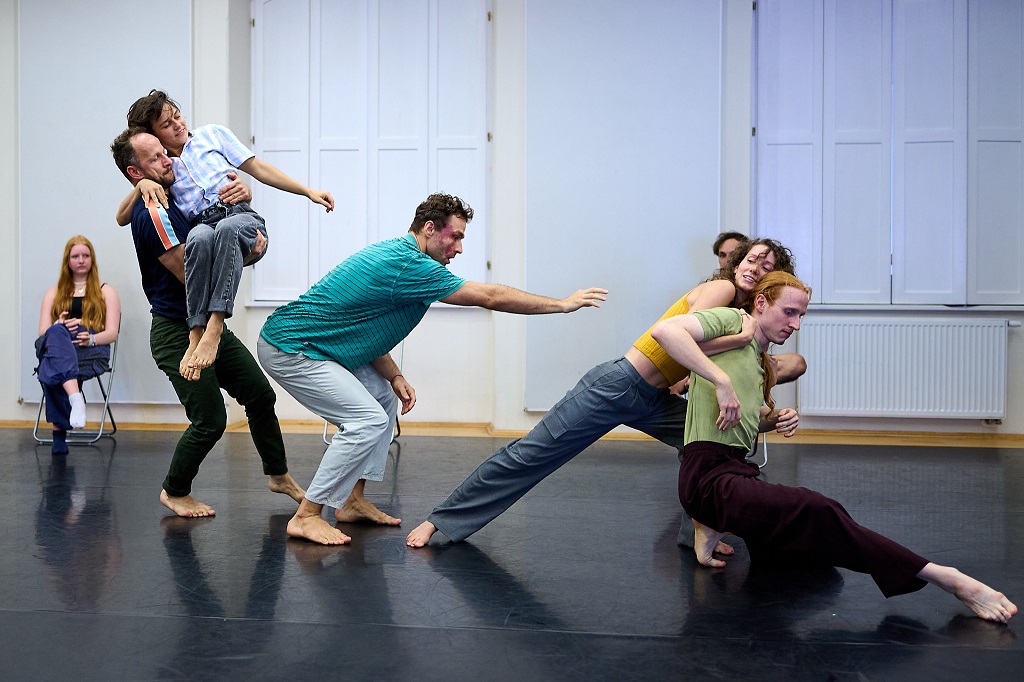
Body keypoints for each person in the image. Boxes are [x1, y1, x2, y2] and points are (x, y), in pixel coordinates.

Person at [651, 270, 1017, 623]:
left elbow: (741, 419)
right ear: (760, 303)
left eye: (801, 316)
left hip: (735, 469)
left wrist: (774, 418)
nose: (795, 325)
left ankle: (712, 524)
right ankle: (947, 578)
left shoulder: (760, 362)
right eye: (788, 312)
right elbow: (666, 331)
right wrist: (720, 381)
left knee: (808, 558)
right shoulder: (734, 321)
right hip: (707, 478)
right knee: (819, 509)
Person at [258, 193, 608, 546]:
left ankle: (351, 500)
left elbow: (365, 329)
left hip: (320, 346)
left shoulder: (405, 258)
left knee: (382, 399)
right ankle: (307, 516)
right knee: (366, 420)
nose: (459, 248)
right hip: (291, 346)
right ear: (429, 229)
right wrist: (561, 304)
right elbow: (490, 297)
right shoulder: (409, 264)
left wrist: (394, 375)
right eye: (455, 237)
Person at [405, 238, 796, 548]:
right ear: (737, 264)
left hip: (653, 401)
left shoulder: (746, 317)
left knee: (710, 446)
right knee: (532, 453)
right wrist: (734, 348)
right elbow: (678, 337)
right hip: (619, 386)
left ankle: (696, 532)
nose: (755, 268)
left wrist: (772, 415)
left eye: (766, 267)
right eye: (751, 260)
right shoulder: (722, 289)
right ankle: (441, 520)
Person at [110, 127, 306, 518]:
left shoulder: (172, 196)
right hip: (175, 330)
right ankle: (175, 491)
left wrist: (243, 197)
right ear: (136, 173)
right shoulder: (153, 213)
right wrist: (243, 257)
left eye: (165, 152)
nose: (169, 159)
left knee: (259, 395)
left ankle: (278, 474)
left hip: (202, 322)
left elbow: (216, 220)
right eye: (155, 158)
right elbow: (189, 275)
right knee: (211, 419)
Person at [114, 90, 335, 382]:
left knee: (228, 229)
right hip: (205, 226)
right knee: (198, 238)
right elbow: (122, 217)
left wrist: (307, 191)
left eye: (177, 116)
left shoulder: (212, 135)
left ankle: (215, 324)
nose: (178, 125)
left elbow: (258, 168)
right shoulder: (165, 167)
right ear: (154, 135)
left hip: (238, 217)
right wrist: (141, 185)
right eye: (167, 125)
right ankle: (196, 330)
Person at [36, 236, 121, 454]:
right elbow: (42, 333)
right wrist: (60, 325)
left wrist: (91, 337)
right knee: (55, 334)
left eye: (86, 255)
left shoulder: (106, 291)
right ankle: (76, 399)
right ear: (67, 260)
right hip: (60, 348)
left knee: (50, 366)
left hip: (91, 351)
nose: (81, 260)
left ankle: (58, 433)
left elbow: (111, 333)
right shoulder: (53, 292)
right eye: (75, 256)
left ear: (92, 259)